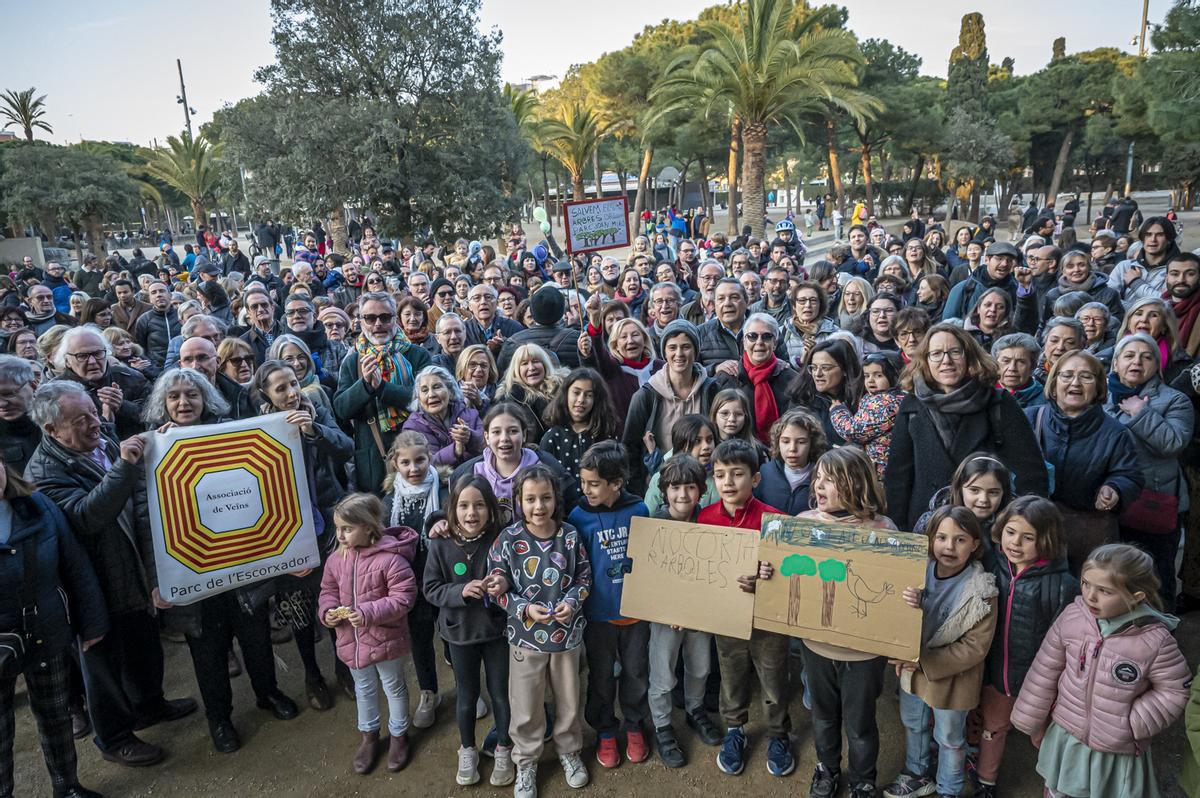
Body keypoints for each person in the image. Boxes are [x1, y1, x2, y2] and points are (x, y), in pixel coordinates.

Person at [26, 381, 198, 768]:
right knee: (102, 663)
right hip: (92, 583)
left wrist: (155, 441)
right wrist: (125, 464)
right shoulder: (43, 471)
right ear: (51, 430)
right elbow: (88, 516)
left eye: (92, 412)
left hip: (128, 567)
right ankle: (114, 737)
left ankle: (150, 705)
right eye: (80, 420)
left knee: (143, 645)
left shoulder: (99, 440)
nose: (94, 424)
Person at [142, 368, 299, 754]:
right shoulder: (151, 449)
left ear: (205, 398)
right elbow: (147, 520)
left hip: (244, 564)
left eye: (191, 395)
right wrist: (156, 577)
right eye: (174, 396)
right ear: (162, 403)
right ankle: (220, 718)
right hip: (194, 569)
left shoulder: (233, 431)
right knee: (207, 651)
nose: (184, 403)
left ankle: (268, 693)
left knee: (256, 637)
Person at [1011, 544, 1189, 798]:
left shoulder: (1155, 641)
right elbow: (1044, 669)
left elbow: (1174, 689)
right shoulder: (1072, 617)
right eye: (1085, 583)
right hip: (1067, 736)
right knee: (1058, 790)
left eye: (1104, 591)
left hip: (1116, 752)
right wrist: (1034, 722)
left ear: (1136, 596)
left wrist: (1134, 723)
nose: (1090, 596)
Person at [0, 452, 108, 798]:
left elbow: (75, 564)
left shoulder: (38, 504)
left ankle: (68, 787)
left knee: (56, 716)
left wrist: (92, 622)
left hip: (47, 630)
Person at [795, 447, 898, 798]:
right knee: (823, 716)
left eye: (831, 480)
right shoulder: (803, 525)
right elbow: (783, 579)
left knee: (860, 722)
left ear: (856, 483)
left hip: (864, 654)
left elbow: (896, 591)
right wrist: (768, 573)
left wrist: (912, 596)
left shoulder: (884, 531)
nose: (819, 486)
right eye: (818, 478)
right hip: (817, 645)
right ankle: (826, 769)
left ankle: (862, 780)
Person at [251, 359, 352, 708]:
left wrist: (314, 431)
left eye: (293, 383)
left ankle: (344, 667)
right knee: (298, 605)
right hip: (284, 531)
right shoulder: (255, 427)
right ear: (264, 394)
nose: (292, 393)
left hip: (327, 522)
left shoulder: (315, 410)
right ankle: (312, 674)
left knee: (337, 597)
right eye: (281, 388)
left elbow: (346, 447)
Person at [486, 465, 592, 798]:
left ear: (556, 498)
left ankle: (569, 752)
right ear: (518, 500)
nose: (538, 506)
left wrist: (572, 603)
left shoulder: (570, 536)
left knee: (569, 699)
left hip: (567, 638)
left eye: (545, 497)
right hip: (525, 639)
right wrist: (522, 607)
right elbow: (497, 587)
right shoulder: (508, 539)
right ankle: (527, 761)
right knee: (526, 704)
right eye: (530, 499)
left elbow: (584, 579)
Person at [885, 323, 1047, 530]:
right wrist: (900, 533)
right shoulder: (912, 405)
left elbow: (1030, 472)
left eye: (955, 352)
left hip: (985, 529)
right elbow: (898, 477)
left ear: (969, 356)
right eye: (936, 354)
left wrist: (1025, 523)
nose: (946, 361)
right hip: (926, 526)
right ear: (925, 361)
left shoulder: (998, 402)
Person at [884, 506, 997, 798]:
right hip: (911, 669)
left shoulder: (982, 589)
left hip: (951, 679)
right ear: (930, 539)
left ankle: (950, 788)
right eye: (942, 537)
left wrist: (924, 660)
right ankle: (917, 773)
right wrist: (906, 601)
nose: (949, 546)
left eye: (960, 539)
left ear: (974, 544)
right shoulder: (916, 572)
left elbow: (975, 647)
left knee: (949, 737)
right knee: (914, 723)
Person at [697, 439, 793, 778]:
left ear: (755, 479)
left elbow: (792, 573)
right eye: (720, 475)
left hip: (768, 620)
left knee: (772, 677)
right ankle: (734, 729)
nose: (728, 482)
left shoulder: (777, 521)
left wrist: (771, 573)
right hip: (728, 619)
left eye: (737, 474)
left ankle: (778, 734)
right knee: (731, 673)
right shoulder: (705, 519)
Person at [974, 497, 1078, 798]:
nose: (1015, 542)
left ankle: (1055, 788)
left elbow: (1066, 642)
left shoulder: (1062, 585)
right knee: (993, 728)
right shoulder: (990, 566)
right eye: (1010, 532)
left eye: (1028, 537)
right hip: (996, 674)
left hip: (1040, 683)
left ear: (1046, 539)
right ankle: (985, 783)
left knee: (1044, 737)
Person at [423, 476, 515, 787]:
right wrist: (460, 592)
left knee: (501, 694)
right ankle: (468, 749)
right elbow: (431, 589)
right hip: (459, 634)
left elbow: (515, 577)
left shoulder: (502, 539)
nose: (471, 513)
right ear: (452, 509)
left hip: (496, 633)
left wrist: (503, 584)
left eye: (478, 505)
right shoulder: (440, 543)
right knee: (467, 697)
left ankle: (503, 748)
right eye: (463, 505)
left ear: (491, 509)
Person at [319, 493, 418, 774]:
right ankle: (370, 736)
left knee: (393, 686)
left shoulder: (391, 560)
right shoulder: (335, 560)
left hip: (386, 638)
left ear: (368, 527)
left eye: (347, 529)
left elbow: (404, 598)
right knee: (363, 688)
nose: (339, 535)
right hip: (351, 641)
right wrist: (327, 611)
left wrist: (367, 612)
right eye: (337, 528)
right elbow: (327, 591)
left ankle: (399, 735)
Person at [568, 442, 651, 769]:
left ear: (616, 483)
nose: (585, 489)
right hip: (597, 616)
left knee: (635, 672)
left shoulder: (639, 510)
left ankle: (634, 724)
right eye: (583, 482)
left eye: (593, 483)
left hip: (635, 614)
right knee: (601, 676)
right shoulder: (577, 517)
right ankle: (604, 728)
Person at [1029, 350, 1144, 572]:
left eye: (1086, 376)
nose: (1075, 382)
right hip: (1035, 530)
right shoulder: (1030, 418)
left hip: (1087, 537)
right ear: (1053, 384)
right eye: (1067, 375)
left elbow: (1130, 474)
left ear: (1099, 387)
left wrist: (1114, 488)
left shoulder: (1115, 432)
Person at [1103, 333, 1194, 605]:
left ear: (1157, 364)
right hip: (1110, 500)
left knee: (1155, 576)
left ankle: (1162, 633)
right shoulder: (1100, 396)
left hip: (1153, 502)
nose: (1137, 362)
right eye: (1129, 356)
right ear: (1116, 363)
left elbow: (1174, 443)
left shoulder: (1175, 400)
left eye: (1146, 357)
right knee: (1113, 573)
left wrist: (1140, 414)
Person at [645, 454, 723, 768]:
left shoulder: (708, 521)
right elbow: (646, 578)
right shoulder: (654, 525)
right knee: (663, 674)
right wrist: (667, 608)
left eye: (690, 487)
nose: (682, 495)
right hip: (665, 617)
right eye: (675, 487)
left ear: (701, 490)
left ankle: (694, 710)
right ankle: (663, 726)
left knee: (701, 667)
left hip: (700, 612)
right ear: (664, 490)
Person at [334, 291, 430, 494]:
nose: (378, 324)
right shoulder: (353, 361)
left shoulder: (417, 355)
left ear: (395, 320)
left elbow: (425, 400)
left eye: (385, 317)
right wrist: (366, 386)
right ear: (361, 322)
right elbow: (341, 409)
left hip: (417, 452)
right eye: (370, 318)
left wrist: (383, 388)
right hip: (374, 461)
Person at [622, 319, 718, 493]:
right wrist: (637, 493)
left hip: (707, 486)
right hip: (660, 486)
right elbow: (631, 450)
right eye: (672, 347)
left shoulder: (711, 390)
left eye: (686, 347)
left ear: (695, 351)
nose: (679, 353)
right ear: (664, 352)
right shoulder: (645, 396)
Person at [53, 326, 150, 441]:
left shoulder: (131, 377)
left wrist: (122, 406)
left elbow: (154, 416)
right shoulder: (56, 391)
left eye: (98, 353)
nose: (92, 362)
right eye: (82, 356)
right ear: (67, 361)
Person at [831, 351, 906, 478]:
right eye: (866, 375)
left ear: (894, 376)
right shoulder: (877, 397)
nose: (870, 380)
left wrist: (837, 411)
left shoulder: (886, 402)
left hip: (881, 472)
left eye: (878, 375)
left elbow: (853, 431)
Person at [539, 367, 619, 481]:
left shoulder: (606, 435)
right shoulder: (552, 438)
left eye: (589, 395)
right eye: (576, 393)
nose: (581, 399)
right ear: (566, 394)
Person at [401, 365, 483, 468]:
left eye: (437, 387)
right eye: (425, 390)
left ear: (450, 390)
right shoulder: (412, 428)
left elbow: (487, 446)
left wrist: (470, 437)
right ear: (419, 398)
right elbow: (422, 465)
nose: (431, 395)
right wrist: (455, 450)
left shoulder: (470, 415)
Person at [497, 286, 579, 375]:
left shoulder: (512, 342)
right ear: (562, 310)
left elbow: (502, 377)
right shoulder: (576, 339)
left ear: (532, 311)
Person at [497, 343, 562, 442]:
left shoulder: (563, 390)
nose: (531, 368)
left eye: (536, 361)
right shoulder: (510, 400)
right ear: (516, 370)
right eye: (524, 363)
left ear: (545, 365)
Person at [781, 281, 838, 365]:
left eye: (813, 300)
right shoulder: (782, 332)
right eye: (802, 300)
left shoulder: (834, 333)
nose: (808, 305)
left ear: (820, 305)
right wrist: (800, 362)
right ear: (794, 306)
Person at [132, 282, 178, 368]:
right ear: (150, 299)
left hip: (183, 365)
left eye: (162, 291)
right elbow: (141, 349)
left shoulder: (181, 315)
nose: (158, 295)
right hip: (158, 369)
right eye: (153, 292)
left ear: (170, 295)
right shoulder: (144, 320)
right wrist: (152, 369)